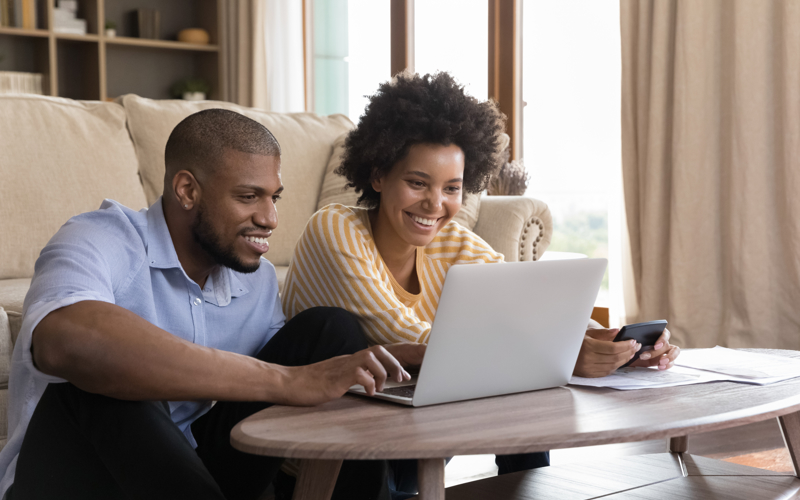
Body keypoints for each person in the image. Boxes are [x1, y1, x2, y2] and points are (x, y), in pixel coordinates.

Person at [282, 71, 681, 499]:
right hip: (323, 453)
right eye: (417, 183)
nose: (435, 205)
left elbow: (526, 306)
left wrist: (613, 346)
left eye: (451, 188)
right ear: (378, 176)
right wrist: (563, 355)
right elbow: (407, 337)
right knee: (510, 361)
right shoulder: (335, 229)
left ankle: (525, 492)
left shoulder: (452, 241)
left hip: (407, 430)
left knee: (521, 371)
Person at [0, 109, 425, 500]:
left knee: (330, 331)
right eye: (248, 197)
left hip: (189, 475)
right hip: (74, 482)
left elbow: (294, 374)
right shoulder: (98, 238)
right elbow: (64, 341)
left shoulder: (252, 276)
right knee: (106, 379)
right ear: (187, 189)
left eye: (273, 198)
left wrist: (356, 368)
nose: (270, 219)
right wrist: (288, 382)